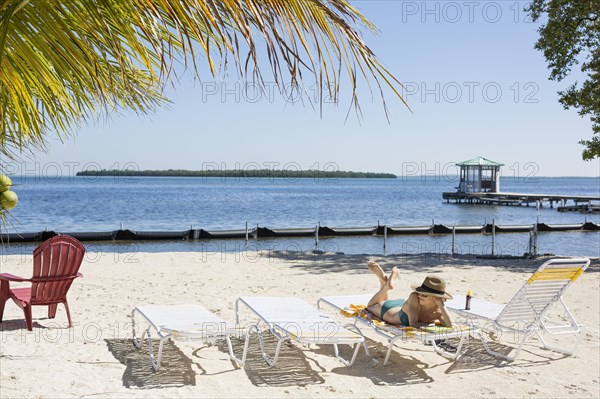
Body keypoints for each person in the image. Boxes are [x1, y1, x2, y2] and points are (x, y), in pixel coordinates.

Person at [366, 261, 453, 328]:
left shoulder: (438, 310)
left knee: (383, 300)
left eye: (424, 295)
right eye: (420, 293)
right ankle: (386, 287)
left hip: (404, 306)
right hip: (389, 310)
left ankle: (384, 282)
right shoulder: (414, 296)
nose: (420, 296)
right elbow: (413, 324)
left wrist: (441, 305)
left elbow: (450, 325)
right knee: (370, 306)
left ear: (436, 299)